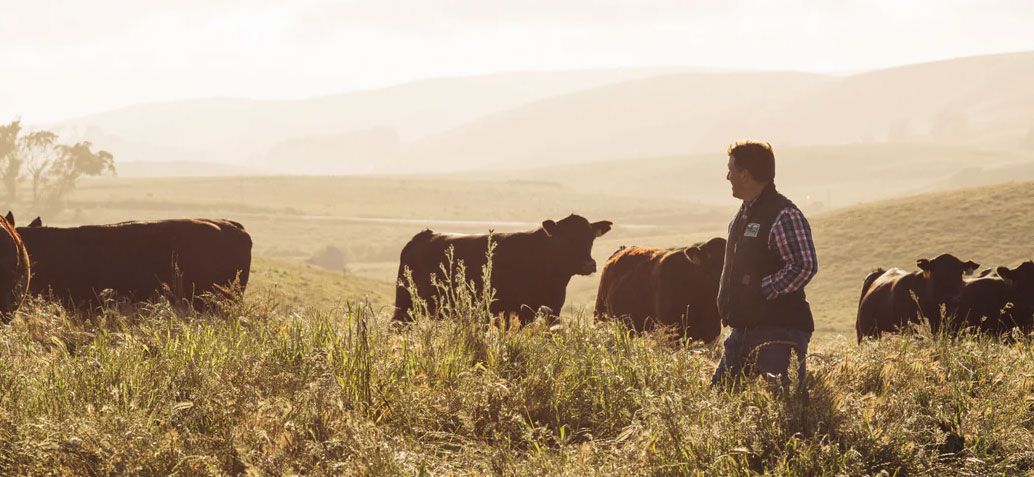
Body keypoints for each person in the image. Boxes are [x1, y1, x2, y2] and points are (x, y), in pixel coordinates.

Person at [710, 140, 818, 390]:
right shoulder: (744, 215)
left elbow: (804, 265)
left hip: (779, 333)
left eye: (731, 170)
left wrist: (761, 289)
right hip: (743, 331)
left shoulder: (784, 215)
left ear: (745, 175)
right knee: (718, 401)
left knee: (787, 409)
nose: (728, 177)